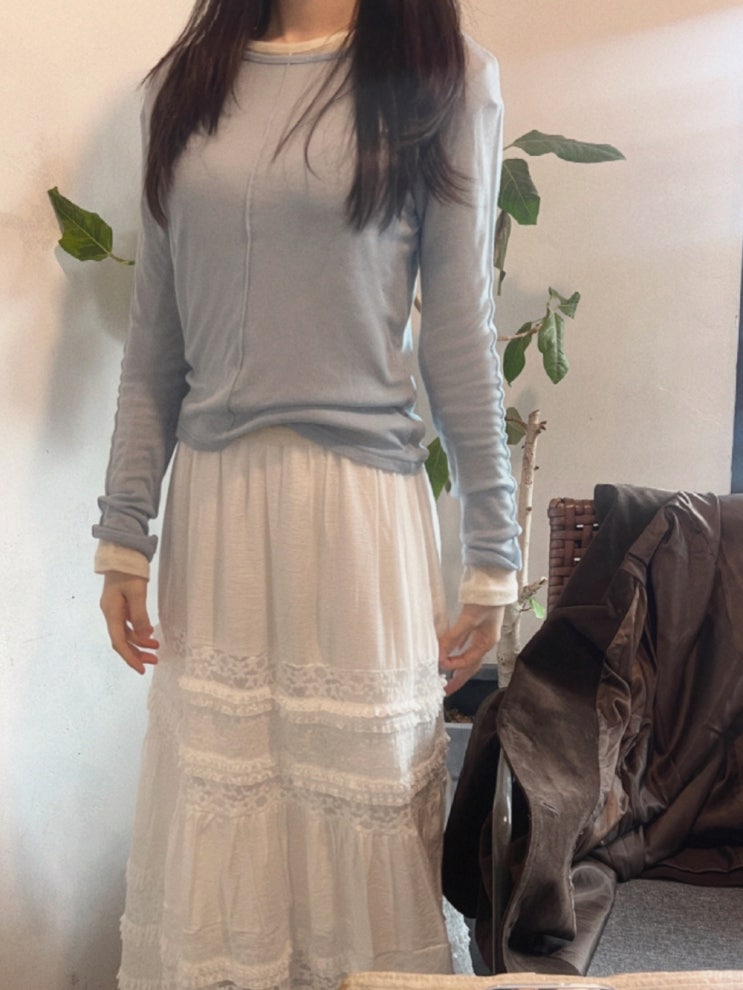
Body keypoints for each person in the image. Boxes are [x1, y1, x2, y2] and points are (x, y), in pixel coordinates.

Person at [94, 1, 521, 987]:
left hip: (358, 514)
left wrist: (492, 552)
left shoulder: (446, 77)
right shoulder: (183, 87)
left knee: (363, 806)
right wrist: (123, 534)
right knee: (227, 807)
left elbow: (460, 331)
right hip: (216, 515)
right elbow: (155, 342)